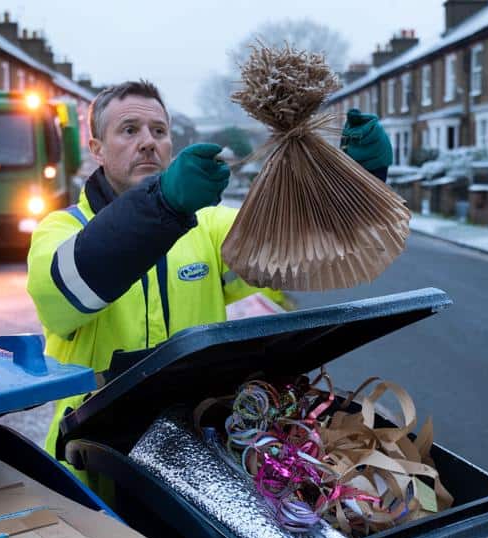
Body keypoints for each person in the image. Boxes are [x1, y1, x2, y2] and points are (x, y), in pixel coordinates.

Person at [26, 79, 392, 460]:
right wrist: (162, 204)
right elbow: (70, 289)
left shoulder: (208, 226)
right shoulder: (62, 230)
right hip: (91, 461)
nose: (148, 141)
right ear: (97, 150)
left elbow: (296, 246)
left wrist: (356, 184)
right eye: (129, 130)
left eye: (159, 131)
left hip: (194, 457)